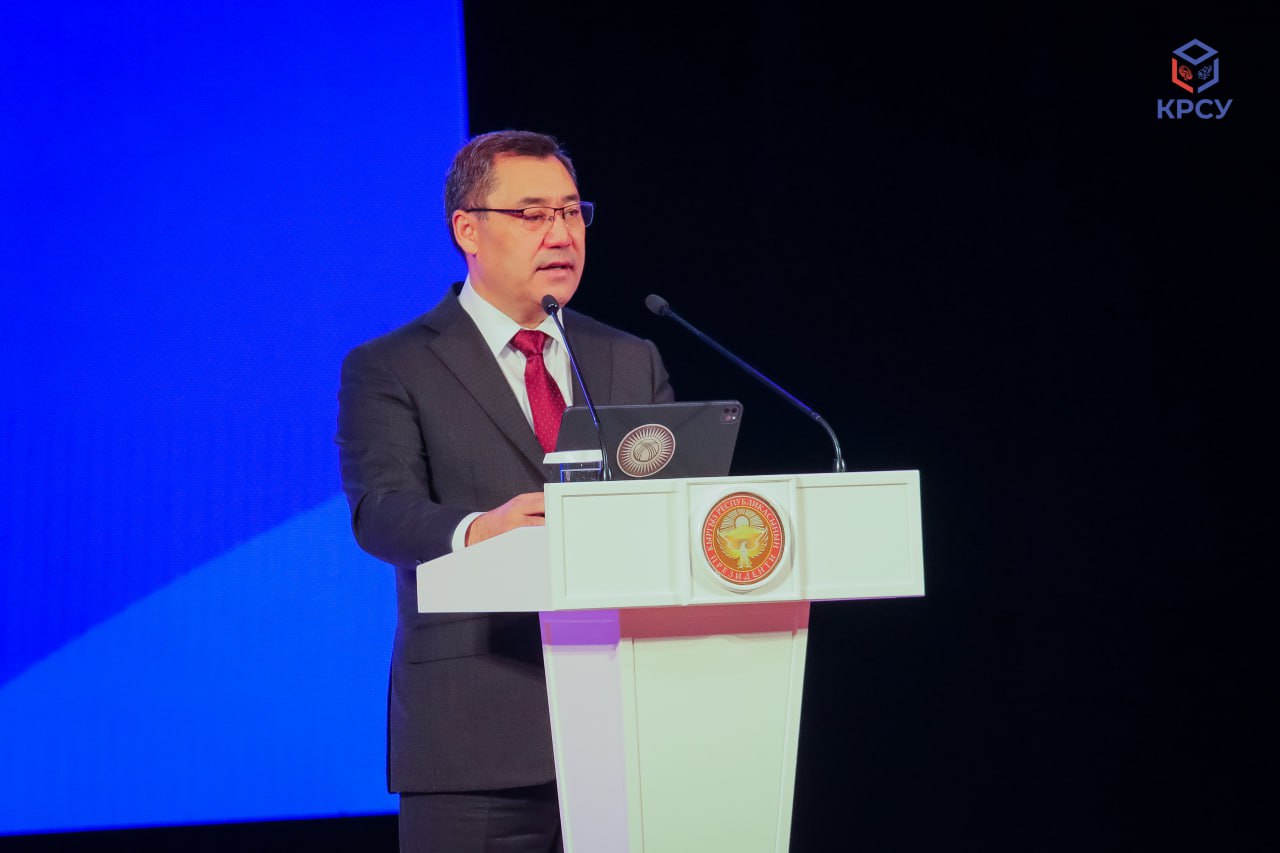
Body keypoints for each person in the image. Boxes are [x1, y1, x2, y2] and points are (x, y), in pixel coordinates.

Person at [336, 130, 673, 852]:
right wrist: (478, 531)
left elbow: (669, 512)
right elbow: (381, 510)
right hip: (474, 734)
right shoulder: (392, 365)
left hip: (628, 731)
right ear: (468, 230)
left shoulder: (630, 358)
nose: (561, 232)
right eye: (532, 214)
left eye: (572, 211)